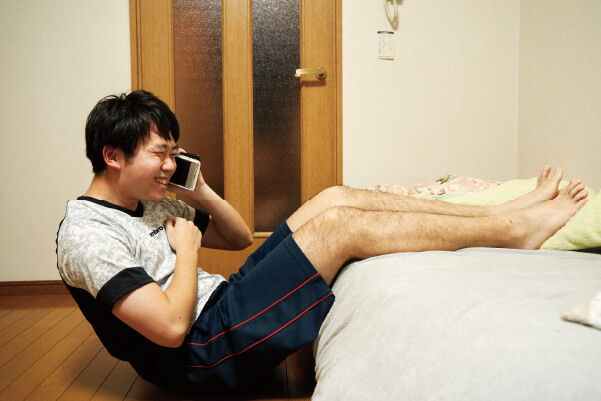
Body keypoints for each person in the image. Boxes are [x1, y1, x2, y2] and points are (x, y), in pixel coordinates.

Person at [56, 90, 588, 393]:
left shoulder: (152, 200)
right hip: (201, 350)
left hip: (222, 302)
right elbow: (171, 330)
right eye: (160, 154)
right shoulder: (87, 234)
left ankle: (500, 213)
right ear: (112, 155)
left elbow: (237, 237)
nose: (170, 165)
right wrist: (190, 251)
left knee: (334, 199)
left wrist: (200, 192)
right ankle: (514, 232)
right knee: (342, 228)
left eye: (175, 153)